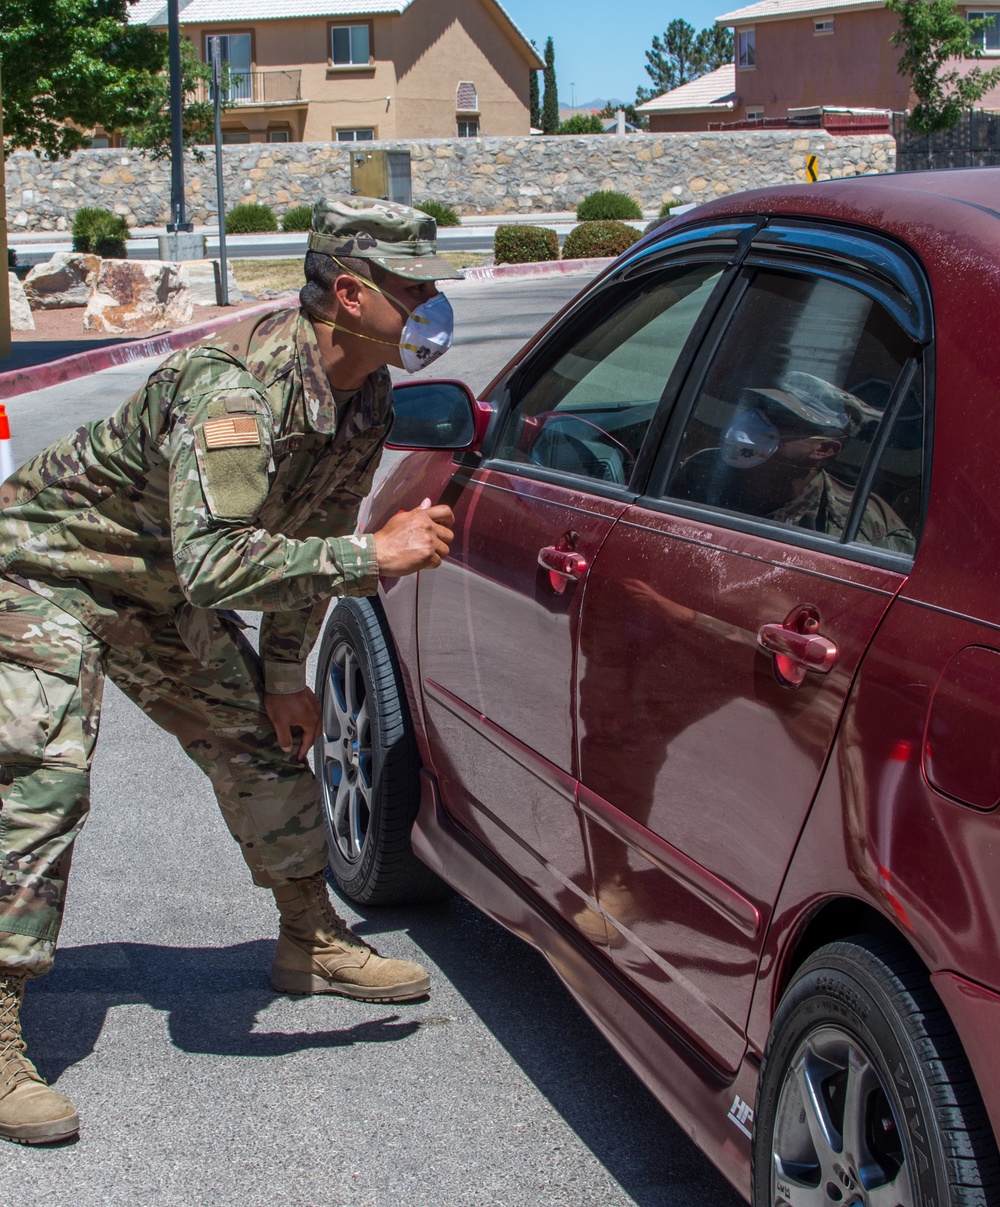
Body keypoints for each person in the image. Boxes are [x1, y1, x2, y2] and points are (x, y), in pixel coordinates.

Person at [0, 195, 463, 1145]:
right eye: (413, 290)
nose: (430, 306)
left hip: (161, 585)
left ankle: (309, 938)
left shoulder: (363, 395)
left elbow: (315, 533)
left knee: (259, 737)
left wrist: (287, 671)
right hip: (51, 567)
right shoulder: (234, 389)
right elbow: (224, 563)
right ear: (350, 293)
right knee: (44, 772)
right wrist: (378, 558)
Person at [672, 370, 915, 554]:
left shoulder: (862, 523)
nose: (756, 424)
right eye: (761, 413)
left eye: (782, 421)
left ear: (824, 449)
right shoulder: (703, 470)